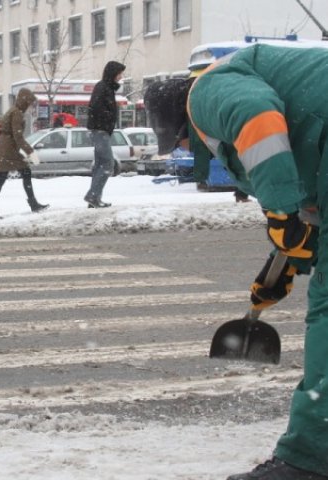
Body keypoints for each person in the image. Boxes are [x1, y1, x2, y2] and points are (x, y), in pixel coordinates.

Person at [144, 44, 328, 480]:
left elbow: (260, 123)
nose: (189, 149)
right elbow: (310, 198)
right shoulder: (272, 87)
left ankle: (309, 461)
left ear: (180, 121)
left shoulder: (207, 90)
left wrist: (281, 212)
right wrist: (283, 265)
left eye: (181, 142)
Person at [0, 87, 48, 219]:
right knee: (15, 174)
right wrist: (30, 152)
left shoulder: (14, 110)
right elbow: (18, 136)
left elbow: (15, 136)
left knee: (5, 177)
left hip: (6, 147)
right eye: (30, 103)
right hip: (7, 149)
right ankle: (32, 204)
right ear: (25, 102)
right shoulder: (17, 113)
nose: (31, 107)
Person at [84, 60, 126, 208]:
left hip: (101, 131)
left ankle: (94, 199)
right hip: (100, 131)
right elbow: (95, 109)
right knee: (108, 163)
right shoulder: (104, 88)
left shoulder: (105, 88)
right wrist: (108, 119)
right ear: (113, 73)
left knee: (100, 165)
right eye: (119, 73)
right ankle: (92, 195)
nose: (121, 77)